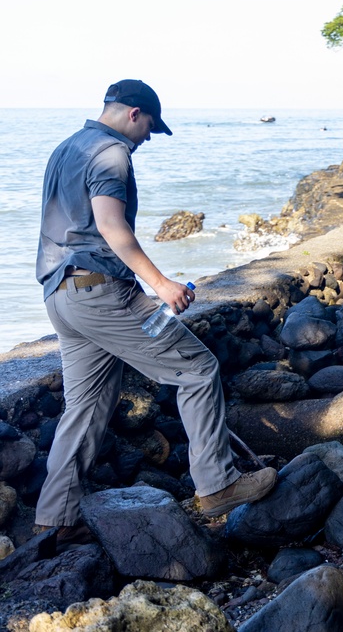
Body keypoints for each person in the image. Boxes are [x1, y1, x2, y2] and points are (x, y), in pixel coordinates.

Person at [34, 80, 278, 543]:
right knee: (199, 368)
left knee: (85, 408)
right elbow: (110, 225)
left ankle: (53, 521)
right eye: (149, 126)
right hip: (101, 292)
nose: (148, 137)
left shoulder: (66, 148)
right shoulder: (110, 152)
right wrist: (161, 284)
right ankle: (218, 485)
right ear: (133, 113)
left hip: (60, 296)